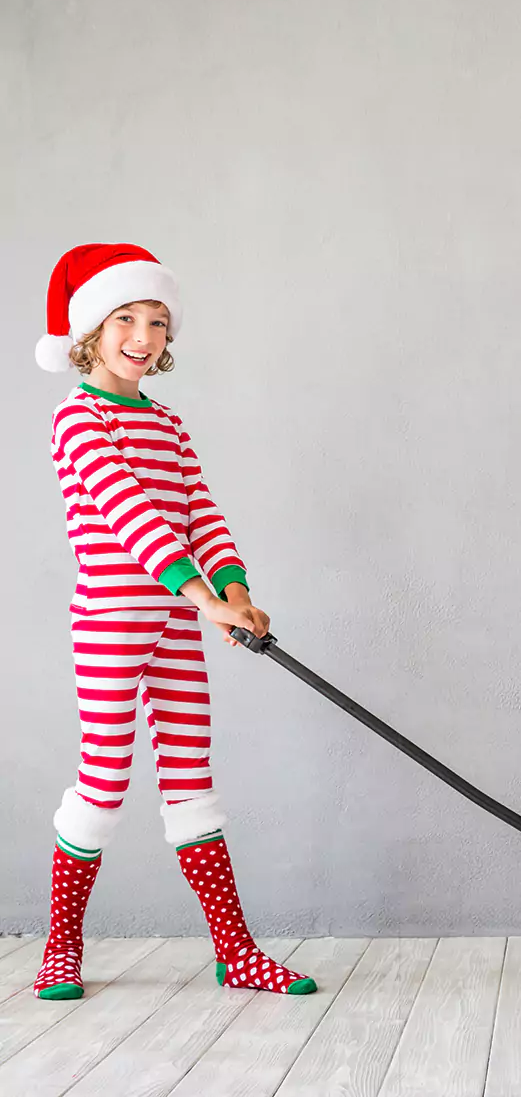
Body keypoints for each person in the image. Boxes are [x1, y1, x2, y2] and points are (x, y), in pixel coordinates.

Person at [30, 242, 316, 999]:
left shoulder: (168, 423)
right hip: (114, 621)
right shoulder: (78, 418)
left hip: (177, 620)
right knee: (104, 783)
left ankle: (237, 951)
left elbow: (198, 515)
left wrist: (236, 588)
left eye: (158, 321)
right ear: (91, 329)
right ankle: (61, 947)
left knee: (193, 782)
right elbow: (134, 519)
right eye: (125, 316)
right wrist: (205, 598)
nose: (144, 335)